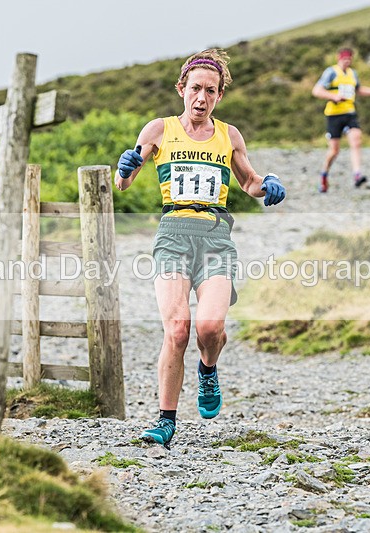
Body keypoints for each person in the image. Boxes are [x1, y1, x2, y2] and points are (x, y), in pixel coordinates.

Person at [115, 49, 286, 446]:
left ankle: (208, 368)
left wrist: (269, 184)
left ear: (219, 95)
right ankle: (166, 420)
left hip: (215, 237)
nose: (201, 98)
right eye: (195, 88)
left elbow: (249, 182)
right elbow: (124, 182)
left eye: (211, 91)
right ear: (181, 89)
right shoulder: (158, 130)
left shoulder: (229, 135)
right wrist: (123, 169)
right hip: (173, 234)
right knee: (177, 329)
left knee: (210, 328)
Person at [311, 47, 370, 193]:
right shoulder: (331, 72)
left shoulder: (352, 74)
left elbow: (359, 90)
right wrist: (333, 96)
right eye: (344, 59)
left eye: (349, 59)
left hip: (350, 113)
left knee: (356, 140)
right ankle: (324, 175)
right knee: (334, 151)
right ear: (339, 58)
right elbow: (316, 90)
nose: (347, 61)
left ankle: (357, 175)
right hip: (334, 115)